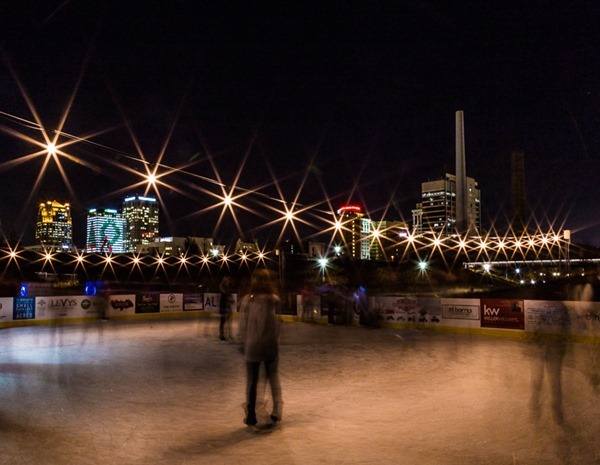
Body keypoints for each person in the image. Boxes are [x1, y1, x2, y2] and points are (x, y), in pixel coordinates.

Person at [238, 269, 283, 428]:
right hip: (270, 345)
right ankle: (277, 411)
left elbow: (243, 324)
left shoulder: (248, 300)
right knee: (273, 378)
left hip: (253, 345)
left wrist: (242, 342)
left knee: (252, 381)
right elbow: (278, 323)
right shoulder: (274, 299)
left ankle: (251, 414)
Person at [218, 276, 233, 341]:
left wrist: (231, 300)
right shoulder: (222, 288)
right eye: (227, 281)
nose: (228, 282)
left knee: (229, 321)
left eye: (228, 281)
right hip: (223, 306)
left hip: (228, 306)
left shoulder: (228, 289)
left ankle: (229, 334)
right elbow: (225, 294)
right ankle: (221, 334)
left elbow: (230, 297)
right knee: (223, 321)